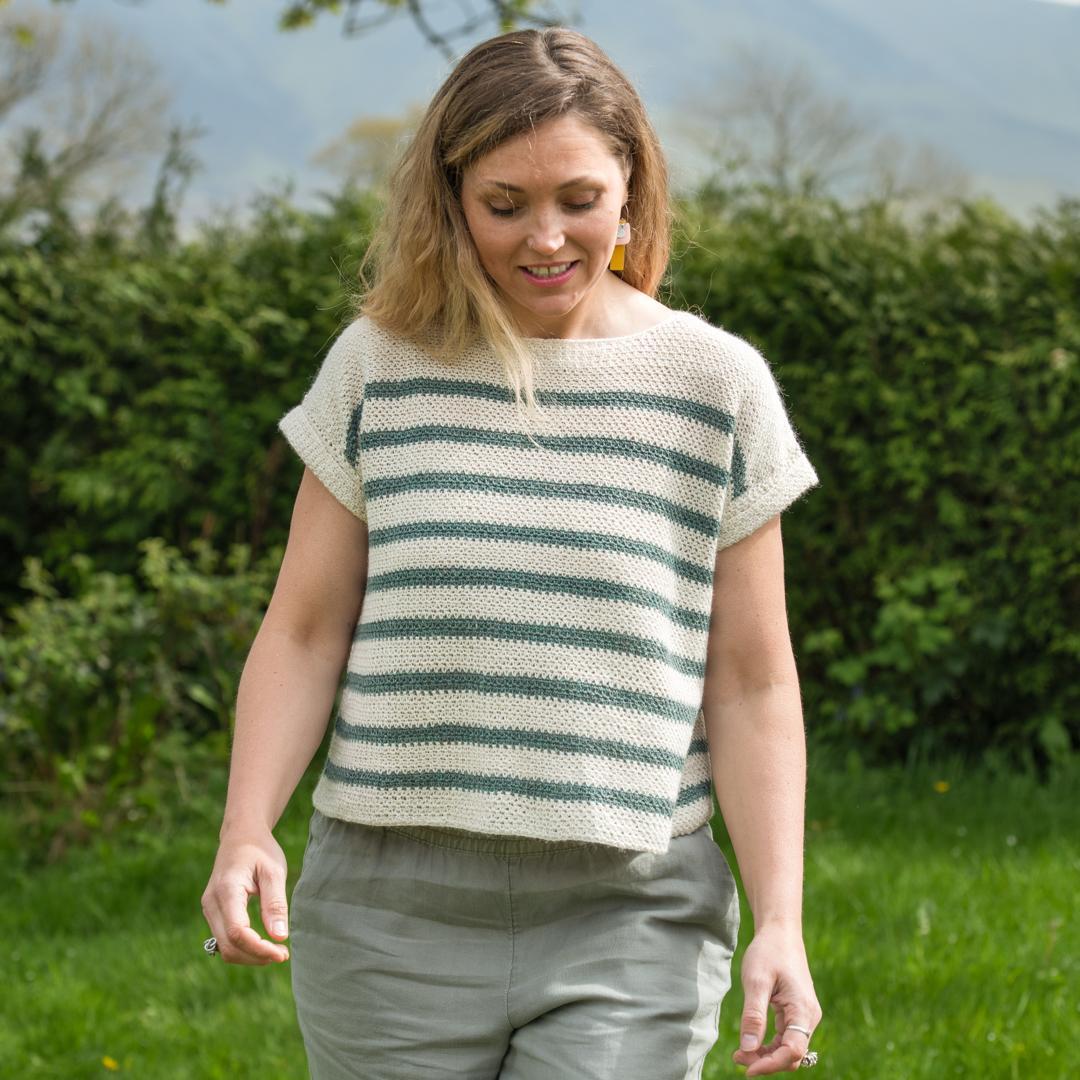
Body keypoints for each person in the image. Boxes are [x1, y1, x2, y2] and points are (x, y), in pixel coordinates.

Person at [200, 26, 823, 1080]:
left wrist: (781, 923)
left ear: (631, 189)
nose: (546, 238)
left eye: (579, 199)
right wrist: (244, 828)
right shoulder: (377, 366)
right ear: (450, 199)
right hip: (387, 917)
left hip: (632, 917)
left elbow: (753, 679)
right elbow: (304, 631)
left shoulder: (716, 386)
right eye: (504, 204)